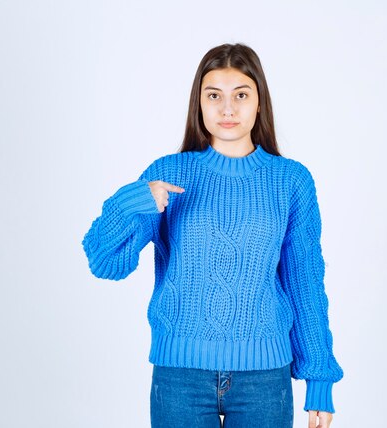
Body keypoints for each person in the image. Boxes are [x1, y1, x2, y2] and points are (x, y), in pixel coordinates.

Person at [81, 42, 344, 428]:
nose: (227, 109)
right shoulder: (169, 174)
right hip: (180, 375)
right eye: (214, 95)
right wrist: (133, 200)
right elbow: (104, 262)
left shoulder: (291, 181)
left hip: (264, 377)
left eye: (241, 95)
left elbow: (305, 283)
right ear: (199, 104)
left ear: (259, 102)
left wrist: (319, 378)